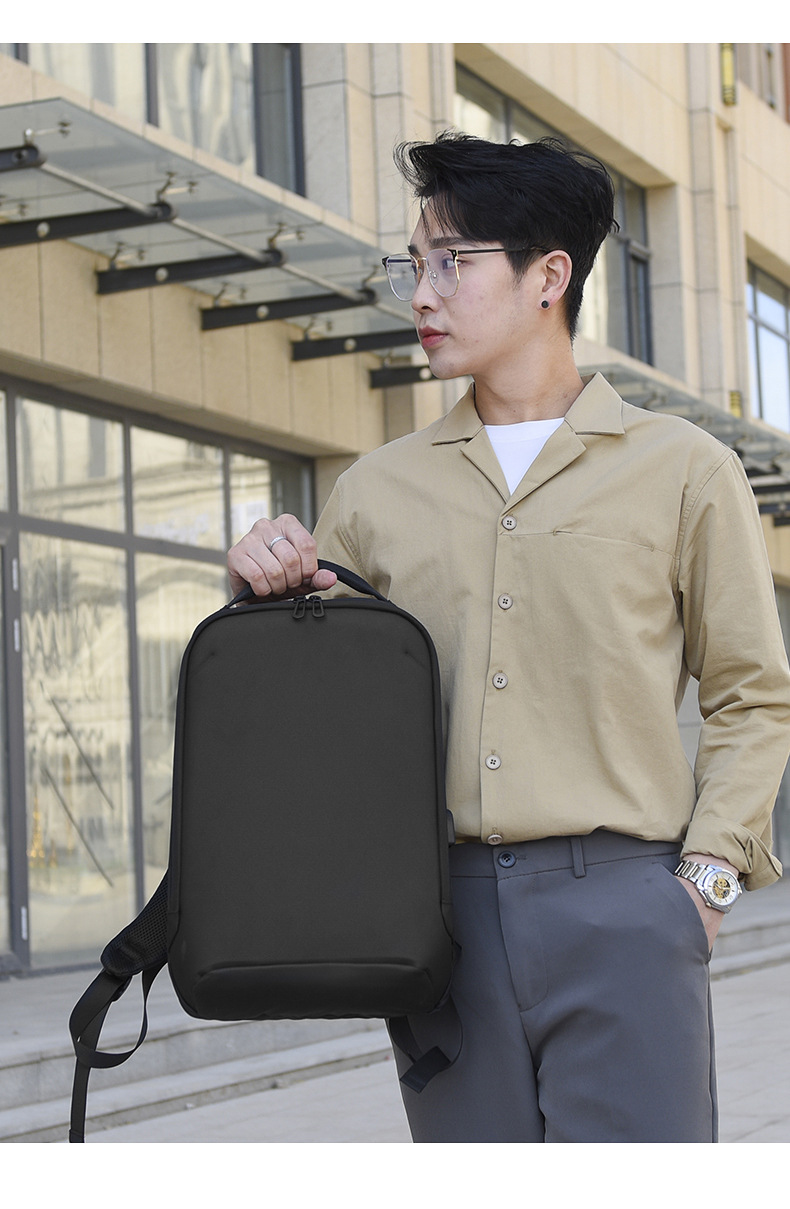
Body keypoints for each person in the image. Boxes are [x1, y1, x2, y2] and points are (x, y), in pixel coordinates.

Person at [227, 133, 790, 1142]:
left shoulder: (684, 470)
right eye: (414, 265)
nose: (422, 295)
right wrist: (261, 591)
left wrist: (703, 886)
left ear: (549, 276)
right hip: (441, 925)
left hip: (627, 908)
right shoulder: (375, 491)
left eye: (452, 262)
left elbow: (752, 693)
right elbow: (314, 708)